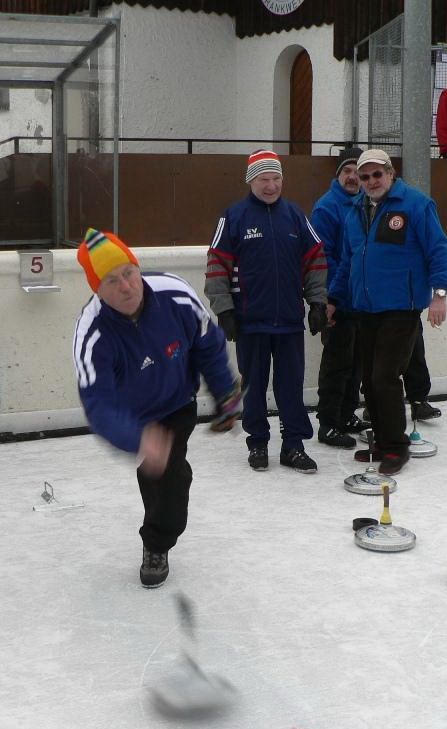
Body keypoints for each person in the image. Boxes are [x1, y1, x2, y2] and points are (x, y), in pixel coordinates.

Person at [72, 229, 241, 588]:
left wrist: (225, 393)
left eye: (129, 273)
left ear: (138, 267)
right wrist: (138, 438)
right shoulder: (93, 335)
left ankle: (158, 536)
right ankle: (159, 535)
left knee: (167, 472)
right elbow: (98, 404)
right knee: (164, 472)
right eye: (112, 281)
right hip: (135, 415)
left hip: (178, 401)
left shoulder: (174, 293)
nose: (126, 287)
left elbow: (207, 345)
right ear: (96, 289)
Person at [331, 149, 447, 476]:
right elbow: (347, 261)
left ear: (390, 173)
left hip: (402, 306)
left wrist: (439, 295)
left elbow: (438, 250)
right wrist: (333, 298)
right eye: (365, 176)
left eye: (377, 175)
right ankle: (382, 442)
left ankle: (397, 446)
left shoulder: (416, 205)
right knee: (369, 378)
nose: (371, 181)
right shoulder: (356, 210)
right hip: (365, 307)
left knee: (384, 376)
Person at [206, 149, 328, 473]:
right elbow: (217, 264)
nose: (271, 185)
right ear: (251, 181)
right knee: (254, 386)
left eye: (275, 179)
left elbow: (315, 259)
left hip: (288, 321)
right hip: (251, 322)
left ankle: (293, 446)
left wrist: (317, 302)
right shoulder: (234, 217)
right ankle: (257, 444)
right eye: (264, 179)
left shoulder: (295, 216)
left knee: (290, 387)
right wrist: (225, 310)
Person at [312, 147, 366, 449]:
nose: (353, 176)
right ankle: (329, 423)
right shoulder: (327, 208)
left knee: (357, 363)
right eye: (347, 170)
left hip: (362, 302)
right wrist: (328, 299)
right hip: (338, 300)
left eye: (357, 171)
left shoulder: (366, 204)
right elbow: (323, 258)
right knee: (337, 363)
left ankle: (347, 414)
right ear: (338, 174)